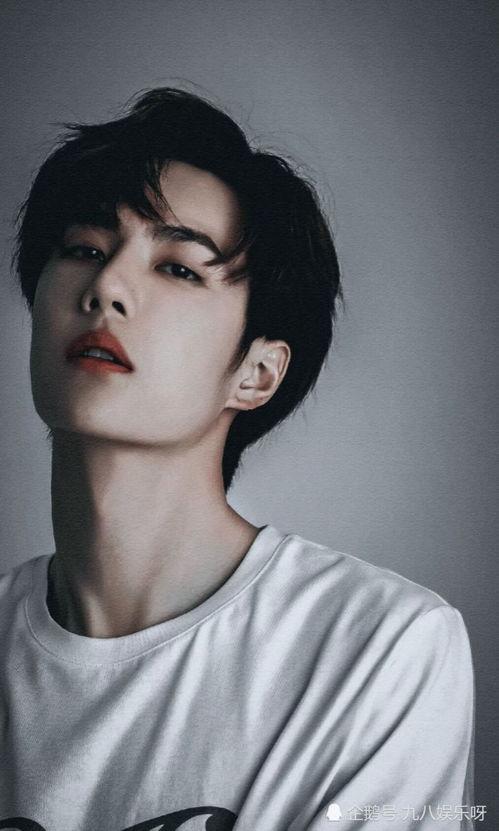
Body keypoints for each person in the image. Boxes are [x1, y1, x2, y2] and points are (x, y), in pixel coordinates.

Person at [0, 88, 474, 830]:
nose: (106, 288)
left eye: (179, 268)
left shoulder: (381, 647)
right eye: (85, 249)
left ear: (256, 373)